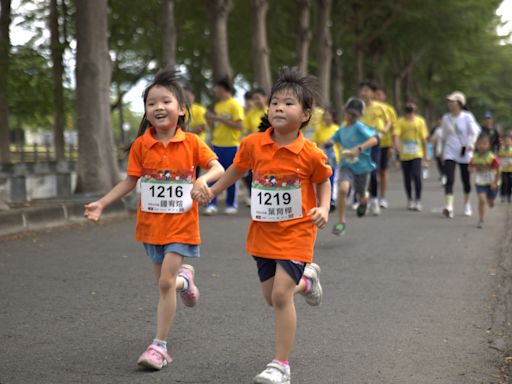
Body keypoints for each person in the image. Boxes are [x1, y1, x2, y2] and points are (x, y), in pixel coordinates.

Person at [194, 67, 331, 384]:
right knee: (272, 297)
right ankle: (307, 282)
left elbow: (324, 181)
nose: (279, 108)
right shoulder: (253, 144)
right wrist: (213, 192)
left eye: (289, 103)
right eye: (275, 103)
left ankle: (280, 364)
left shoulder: (310, 153)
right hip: (263, 234)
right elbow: (235, 171)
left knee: (282, 296)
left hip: (297, 234)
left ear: (306, 114)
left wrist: (323, 208)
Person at [84, 70, 224, 371]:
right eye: (151, 103)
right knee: (167, 283)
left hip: (182, 225)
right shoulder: (140, 146)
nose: (158, 107)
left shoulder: (192, 142)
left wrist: (203, 181)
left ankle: (159, 346)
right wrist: (102, 203)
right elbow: (129, 182)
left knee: (164, 284)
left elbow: (218, 168)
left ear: (181, 109)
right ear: (146, 111)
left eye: (166, 101)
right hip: (150, 227)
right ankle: (186, 280)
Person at [330, 98, 377, 236]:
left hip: (362, 167)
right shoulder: (342, 129)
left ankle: (364, 200)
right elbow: (333, 139)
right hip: (346, 165)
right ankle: (341, 222)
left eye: (354, 115)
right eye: (349, 113)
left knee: (360, 195)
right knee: (343, 190)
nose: (351, 116)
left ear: (359, 116)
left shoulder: (359, 127)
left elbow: (374, 139)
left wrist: (359, 149)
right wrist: (325, 143)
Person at [204, 78, 245, 215]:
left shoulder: (234, 105)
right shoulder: (218, 105)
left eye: (217, 87)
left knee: (231, 175)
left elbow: (240, 126)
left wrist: (219, 119)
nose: (215, 90)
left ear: (224, 88)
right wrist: (210, 120)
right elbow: (214, 126)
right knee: (214, 174)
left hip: (232, 146)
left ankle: (231, 204)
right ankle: (211, 203)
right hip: (217, 145)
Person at [441, 91, 480, 218]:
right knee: (449, 179)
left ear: (459, 103)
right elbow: (445, 136)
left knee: (466, 181)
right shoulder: (446, 118)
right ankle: (449, 206)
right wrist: (442, 151)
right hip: (450, 151)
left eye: (452, 101)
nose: (449, 103)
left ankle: (467, 203)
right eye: (448, 101)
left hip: (464, 152)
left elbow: (475, 131)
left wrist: (471, 144)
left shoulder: (467, 116)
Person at [358, 80, 391, 216]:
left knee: (372, 171)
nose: (364, 93)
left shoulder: (380, 107)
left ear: (372, 93)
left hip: (375, 142)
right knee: (361, 173)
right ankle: (363, 200)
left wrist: (382, 132)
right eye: (362, 90)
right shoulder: (358, 106)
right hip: (360, 143)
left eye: (366, 90)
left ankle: (374, 200)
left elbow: (388, 121)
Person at [393, 99, 429, 211]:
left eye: (411, 104)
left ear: (415, 107)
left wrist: (426, 155)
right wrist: (396, 147)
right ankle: (410, 199)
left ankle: (418, 200)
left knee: (416, 175)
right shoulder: (400, 121)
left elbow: (424, 139)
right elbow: (396, 135)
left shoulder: (420, 121)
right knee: (407, 177)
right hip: (404, 154)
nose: (409, 106)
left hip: (417, 153)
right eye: (407, 104)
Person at [242, 88, 268, 206]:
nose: (257, 101)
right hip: (255, 148)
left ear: (265, 98)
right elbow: (246, 130)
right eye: (254, 99)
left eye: (258, 98)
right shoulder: (251, 114)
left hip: (269, 146)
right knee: (251, 174)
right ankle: (256, 196)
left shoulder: (270, 111)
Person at [469, 133, 500, 228]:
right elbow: (470, 166)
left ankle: (491, 200)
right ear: (476, 145)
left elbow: (498, 170)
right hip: (480, 182)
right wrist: (471, 169)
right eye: (479, 144)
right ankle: (481, 219)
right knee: (481, 199)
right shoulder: (474, 157)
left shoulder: (492, 157)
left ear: (489, 145)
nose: (482, 146)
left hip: (492, 183)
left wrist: (495, 182)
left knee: (491, 203)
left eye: (484, 143)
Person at [374, 85, 397, 208]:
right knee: (371, 171)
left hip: (385, 144)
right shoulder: (369, 108)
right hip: (371, 144)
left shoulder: (389, 109)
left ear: (384, 96)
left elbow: (394, 128)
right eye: (375, 94)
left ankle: (382, 197)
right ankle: (371, 196)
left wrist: (392, 146)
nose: (377, 97)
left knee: (383, 171)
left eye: (379, 94)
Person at [313, 109, 340, 211]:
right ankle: (322, 199)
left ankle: (332, 199)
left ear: (332, 117)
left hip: (334, 157)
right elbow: (316, 143)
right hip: (322, 156)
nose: (326, 117)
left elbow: (340, 145)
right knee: (322, 178)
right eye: (325, 115)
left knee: (332, 178)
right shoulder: (319, 129)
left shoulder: (336, 129)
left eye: (328, 115)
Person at [430, 117, 446, 185]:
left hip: (447, 151)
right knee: (440, 165)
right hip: (438, 150)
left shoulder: (449, 129)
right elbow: (433, 140)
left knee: (446, 166)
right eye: (439, 121)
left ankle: (444, 178)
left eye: (441, 121)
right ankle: (442, 175)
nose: (440, 122)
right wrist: (431, 149)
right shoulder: (437, 130)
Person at [498, 133, 512, 203]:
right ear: (503, 142)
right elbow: (498, 158)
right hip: (503, 170)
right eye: (506, 141)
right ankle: (503, 195)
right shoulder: (501, 150)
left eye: (509, 141)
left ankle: (509, 196)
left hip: (510, 170)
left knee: (510, 183)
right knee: (504, 182)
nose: (507, 143)